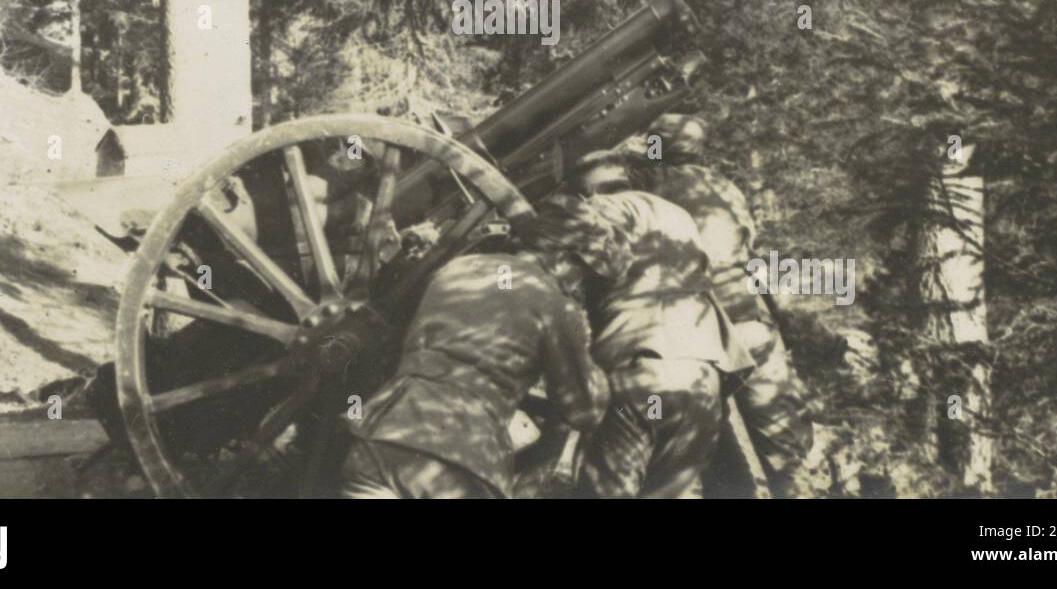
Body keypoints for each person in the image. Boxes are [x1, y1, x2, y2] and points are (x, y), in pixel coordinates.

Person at [641, 113, 872, 497]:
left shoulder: (649, 186)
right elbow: (747, 248)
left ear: (658, 147)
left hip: (692, 325)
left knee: (707, 439)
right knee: (784, 447)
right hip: (749, 316)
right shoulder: (724, 186)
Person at [339, 211, 627, 499]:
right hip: (461, 456)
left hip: (384, 433)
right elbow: (583, 410)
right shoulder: (554, 303)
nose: (579, 286)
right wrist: (594, 362)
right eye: (585, 276)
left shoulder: (457, 267)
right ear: (565, 258)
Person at [545, 151, 755, 499]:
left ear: (587, 190)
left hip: (646, 375)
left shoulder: (608, 208)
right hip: (702, 381)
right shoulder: (679, 216)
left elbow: (559, 236)